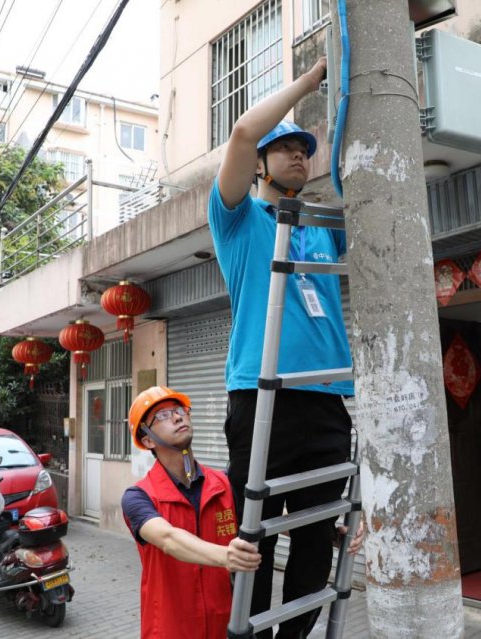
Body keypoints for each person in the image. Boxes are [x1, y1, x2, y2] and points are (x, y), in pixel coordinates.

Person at [209, 57, 362, 639]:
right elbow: (243, 133)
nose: (300, 155)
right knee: (254, 536)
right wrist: (312, 81)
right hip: (261, 398)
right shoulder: (238, 219)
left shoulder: (322, 225)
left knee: (317, 538)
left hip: (325, 400)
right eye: (287, 147)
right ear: (261, 166)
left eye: (306, 149)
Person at [121, 385, 262, 639]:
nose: (177, 417)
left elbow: (262, 516)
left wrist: (328, 530)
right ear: (147, 439)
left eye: (179, 410)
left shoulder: (223, 484)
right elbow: (168, 538)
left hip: (224, 624)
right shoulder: (138, 497)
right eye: (162, 415)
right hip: (170, 628)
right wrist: (226, 556)